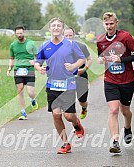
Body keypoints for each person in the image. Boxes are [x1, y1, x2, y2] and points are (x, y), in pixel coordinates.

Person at [35, 18, 86, 154]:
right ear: (49, 29)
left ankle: (77, 124)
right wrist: (39, 68)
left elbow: (82, 58)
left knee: (69, 116)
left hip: (68, 84)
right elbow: (37, 61)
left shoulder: (70, 44)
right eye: (53, 26)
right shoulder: (45, 45)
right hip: (52, 85)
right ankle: (65, 143)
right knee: (56, 115)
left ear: (63, 29)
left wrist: (74, 66)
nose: (56, 28)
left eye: (59, 26)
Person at [96, 12, 134, 153]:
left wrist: (121, 60)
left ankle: (127, 128)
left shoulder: (125, 37)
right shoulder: (100, 40)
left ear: (116, 23)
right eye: (106, 24)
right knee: (113, 110)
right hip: (110, 80)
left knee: (125, 111)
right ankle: (115, 141)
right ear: (104, 24)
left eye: (111, 23)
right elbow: (100, 54)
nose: (109, 26)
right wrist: (100, 59)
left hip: (127, 80)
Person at [7, 25, 38, 120]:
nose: (19, 35)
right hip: (18, 69)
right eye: (17, 33)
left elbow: (37, 56)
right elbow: (12, 58)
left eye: (21, 33)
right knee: (19, 90)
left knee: (30, 91)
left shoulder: (31, 43)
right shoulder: (13, 45)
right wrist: (9, 68)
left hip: (29, 69)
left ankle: (32, 99)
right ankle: (23, 111)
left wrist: (35, 63)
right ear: (15, 34)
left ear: (24, 33)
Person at [64, 27, 92, 119]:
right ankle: (76, 124)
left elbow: (89, 59)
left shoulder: (81, 46)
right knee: (69, 102)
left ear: (74, 36)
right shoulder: (60, 48)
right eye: (66, 36)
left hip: (81, 76)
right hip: (67, 78)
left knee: (82, 100)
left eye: (70, 35)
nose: (68, 37)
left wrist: (84, 69)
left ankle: (84, 108)